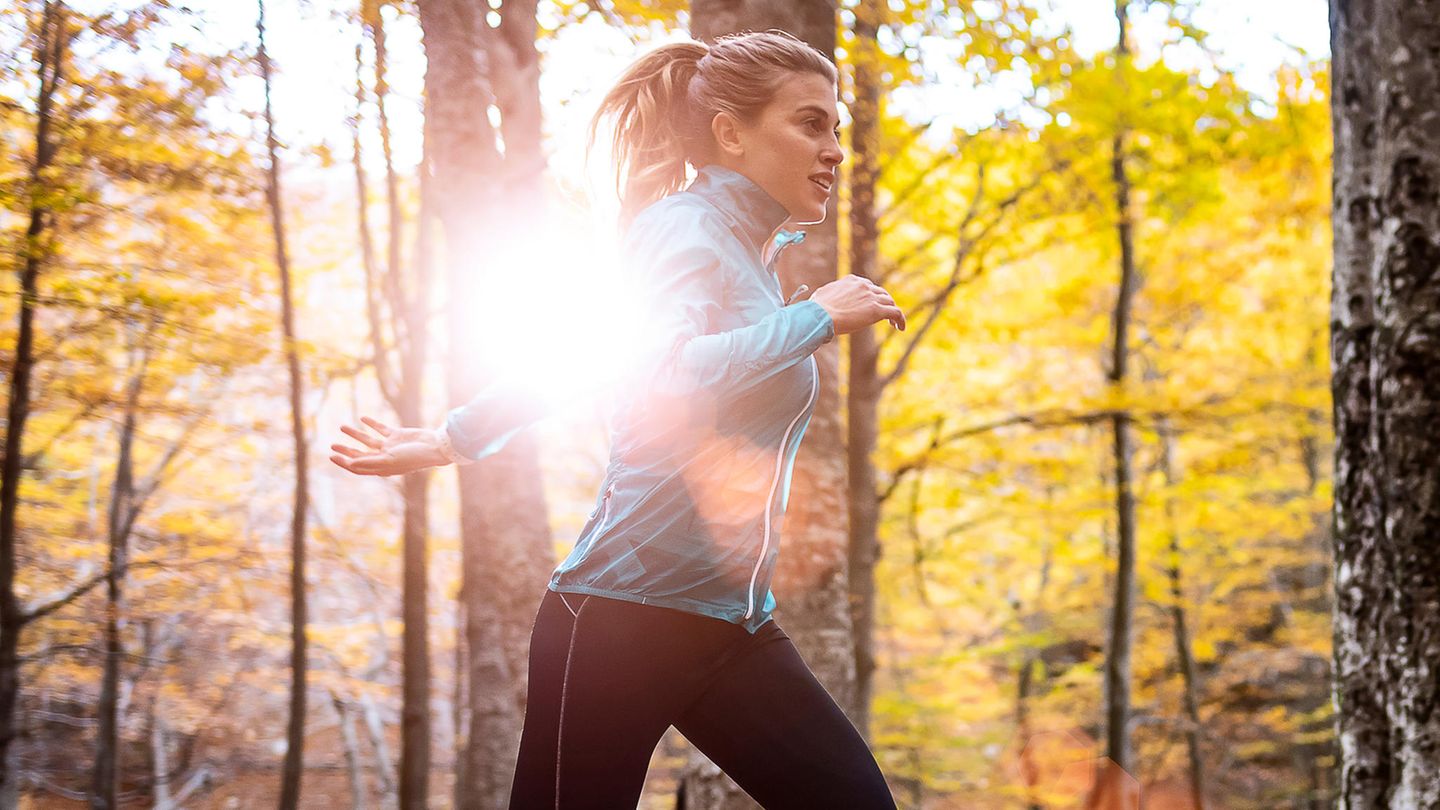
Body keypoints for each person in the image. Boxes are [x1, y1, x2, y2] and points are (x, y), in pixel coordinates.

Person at [330, 29, 905, 809]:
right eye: (811, 123)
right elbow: (660, 371)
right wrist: (814, 321)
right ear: (730, 134)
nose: (835, 148)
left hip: (727, 627)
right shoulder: (684, 226)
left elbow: (594, 355)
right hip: (617, 625)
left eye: (835, 127)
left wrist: (449, 435)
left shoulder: (747, 255)